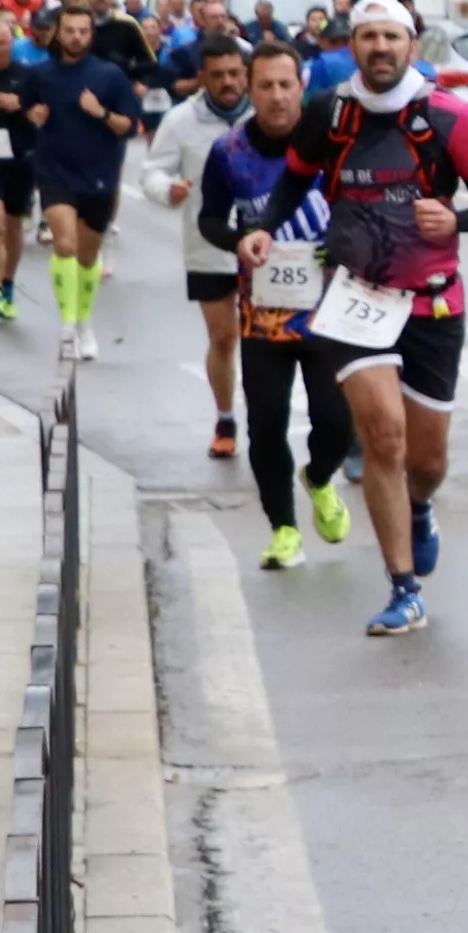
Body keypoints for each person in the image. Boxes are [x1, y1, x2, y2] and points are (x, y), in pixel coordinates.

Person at [246, 0, 468, 638]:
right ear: (352, 45)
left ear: (411, 44)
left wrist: (455, 218)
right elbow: (294, 179)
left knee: (425, 459)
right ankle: (402, 588)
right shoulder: (329, 113)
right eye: (368, 37)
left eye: (391, 36)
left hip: (432, 299)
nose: (380, 48)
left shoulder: (449, 117)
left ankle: (420, 507)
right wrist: (260, 227)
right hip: (354, 294)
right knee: (383, 436)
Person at [195, 43, 356, 568]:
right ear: (249, 87)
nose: (277, 96)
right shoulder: (229, 152)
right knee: (266, 424)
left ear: (301, 87)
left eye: (286, 85)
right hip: (264, 314)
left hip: (330, 312)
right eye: (264, 85)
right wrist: (237, 240)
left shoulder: (334, 148)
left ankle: (319, 476)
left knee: (337, 422)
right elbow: (210, 219)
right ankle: (283, 529)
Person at [139, 35, 253, 455]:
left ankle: (264, 414)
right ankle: (225, 419)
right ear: (202, 76)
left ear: (246, 73)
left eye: (235, 73)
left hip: (267, 244)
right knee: (223, 338)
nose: (228, 82)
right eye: (218, 75)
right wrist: (166, 189)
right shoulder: (181, 119)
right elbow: (152, 170)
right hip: (208, 245)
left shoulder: (268, 111)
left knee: (267, 341)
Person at [24, 0, 144, 364]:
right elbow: (28, 110)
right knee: (65, 244)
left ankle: (84, 323)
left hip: (97, 172)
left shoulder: (110, 76)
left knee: (88, 257)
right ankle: (65, 327)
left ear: (92, 35)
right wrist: (35, 114)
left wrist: (101, 112)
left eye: (83, 31)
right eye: (69, 31)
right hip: (54, 170)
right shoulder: (40, 74)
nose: (76, 38)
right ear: (58, 33)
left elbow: (128, 126)